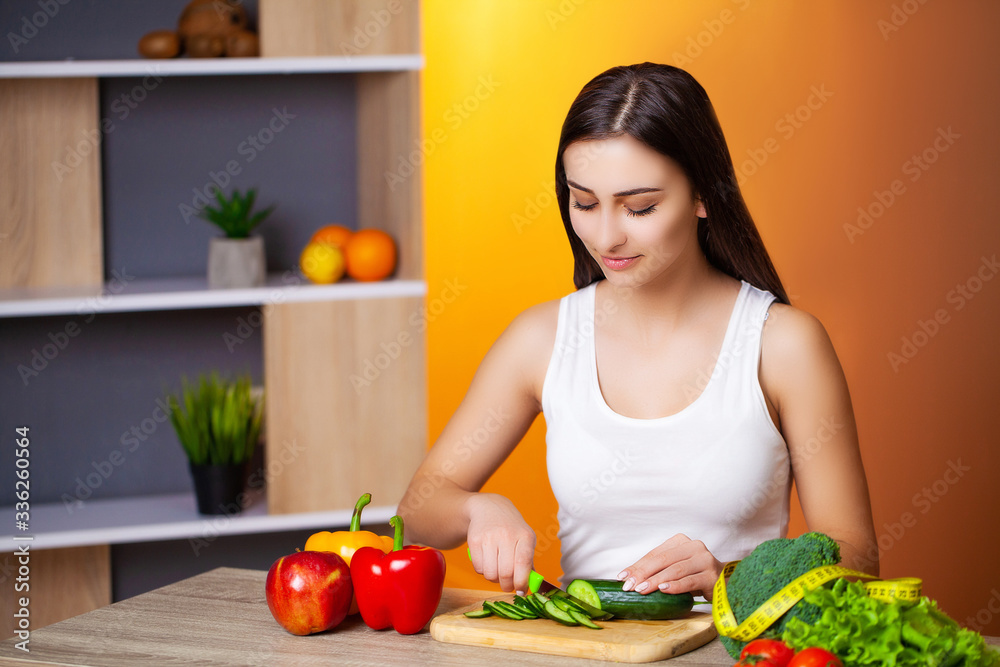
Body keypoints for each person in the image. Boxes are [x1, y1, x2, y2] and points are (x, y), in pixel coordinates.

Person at [398, 63, 878, 600]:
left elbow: (856, 559)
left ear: (703, 196)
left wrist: (730, 576)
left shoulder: (783, 344)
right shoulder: (543, 338)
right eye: (584, 202)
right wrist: (475, 508)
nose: (605, 237)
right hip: (587, 653)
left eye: (640, 207)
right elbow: (417, 513)